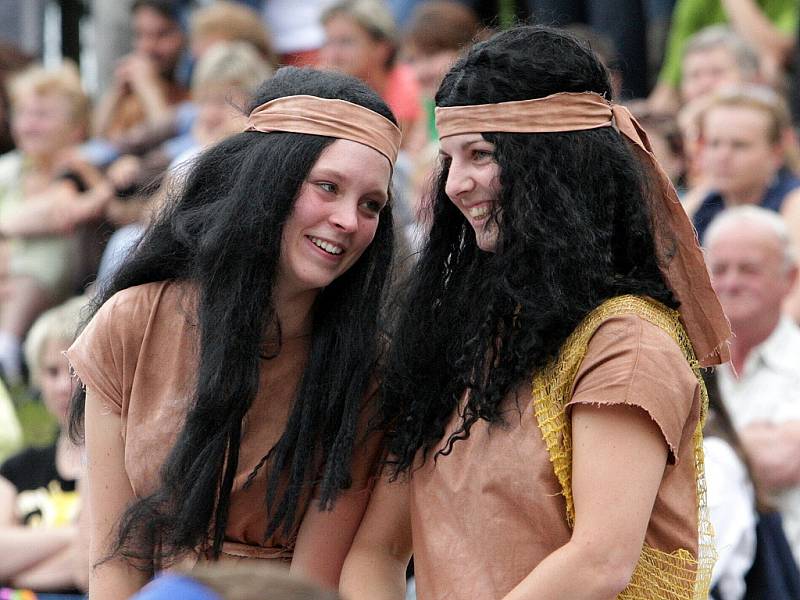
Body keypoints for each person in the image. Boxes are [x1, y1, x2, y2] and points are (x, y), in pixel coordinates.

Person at [340, 25, 731, 600]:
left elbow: (599, 564)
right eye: (449, 158)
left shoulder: (628, 340)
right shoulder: (457, 337)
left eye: (481, 154)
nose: (456, 184)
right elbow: (375, 552)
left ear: (557, 165)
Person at [66, 66, 401, 598]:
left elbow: (312, 584)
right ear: (270, 180)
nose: (348, 220)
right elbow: (114, 556)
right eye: (328, 187)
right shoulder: (135, 320)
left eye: (371, 205)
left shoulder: (366, 366)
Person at [0, 62, 110, 385]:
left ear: (76, 127)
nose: (29, 124)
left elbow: (60, 215)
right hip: (8, 279)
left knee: (43, 245)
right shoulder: (9, 168)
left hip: (64, 281)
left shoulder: (84, 165)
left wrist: (5, 229)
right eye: (23, 113)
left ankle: (6, 346)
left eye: (43, 115)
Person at [704, 205, 800, 565]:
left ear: (789, 279)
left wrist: (702, 449)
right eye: (719, 269)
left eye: (749, 270)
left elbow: (781, 461)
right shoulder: (687, 366)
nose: (730, 283)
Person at [0, 296, 87, 595]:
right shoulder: (17, 468)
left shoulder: (123, 467)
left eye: (75, 370)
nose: (64, 386)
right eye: (52, 372)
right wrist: (79, 535)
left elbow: (95, 565)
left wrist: (15, 575)